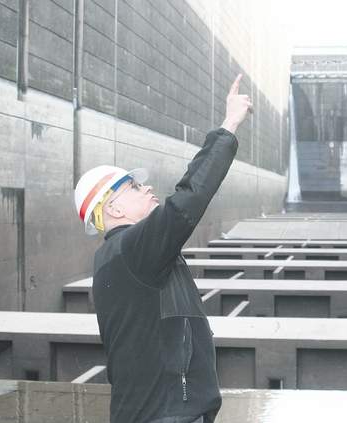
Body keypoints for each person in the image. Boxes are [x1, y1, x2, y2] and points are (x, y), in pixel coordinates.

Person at [73, 75, 252, 423]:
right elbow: (189, 199)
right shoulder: (133, 250)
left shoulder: (121, 256)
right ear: (113, 209)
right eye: (134, 187)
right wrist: (229, 125)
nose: (148, 188)